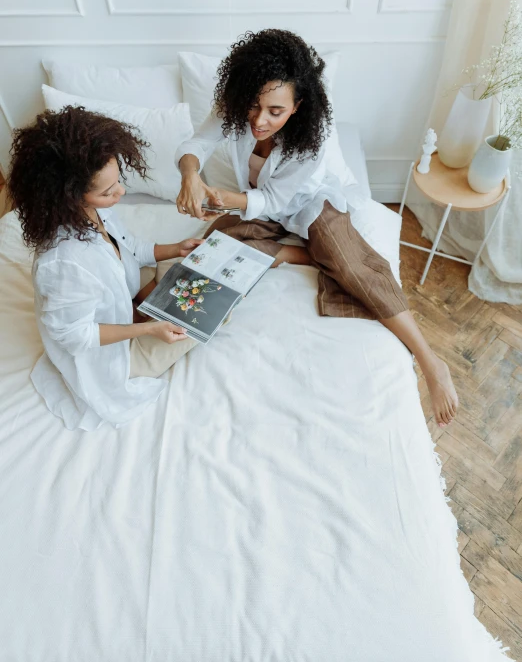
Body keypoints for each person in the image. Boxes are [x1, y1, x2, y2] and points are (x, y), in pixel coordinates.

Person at [175, 29, 459, 428]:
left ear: (297, 106)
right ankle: (298, 255)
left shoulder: (315, 135)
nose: (259, 120)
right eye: (254, 106)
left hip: (310, 204)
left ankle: (431, 361)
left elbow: (277, 199)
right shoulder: (237, 108)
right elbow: (196, 144)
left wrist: (223, 198)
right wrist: (190, 177)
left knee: (351, 263)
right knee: (217, 246)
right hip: (258, 206)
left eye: (275, 111)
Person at [7, 106, 201, 431]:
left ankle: (147, 305)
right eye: (108, 192)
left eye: (118, 183)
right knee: (203, 322)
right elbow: (76, 336)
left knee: (191, 267)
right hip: (109, 357)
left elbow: (133, 248)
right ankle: (148, 314)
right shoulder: (63, 263)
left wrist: (176, 249)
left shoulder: (94, 212)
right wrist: (149, 329)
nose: (120, 193)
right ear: (69, 197)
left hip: (120, 297)